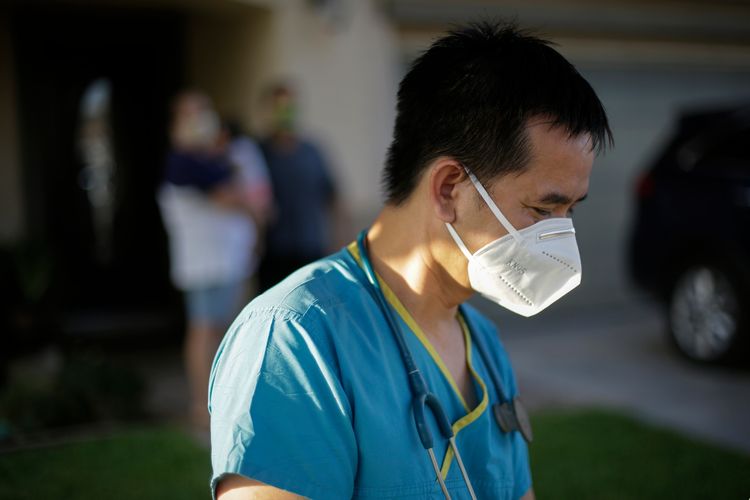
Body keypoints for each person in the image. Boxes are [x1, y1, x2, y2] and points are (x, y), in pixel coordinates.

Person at [209, 21, 612, 500]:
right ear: (448, 190)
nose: (559, 238)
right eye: (543, 210)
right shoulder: (295, 340)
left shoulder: (481, 343)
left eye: (569, 212)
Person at [158, 91, 261, 430]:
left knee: (222, 330)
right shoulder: (185, 161)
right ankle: (203, 406)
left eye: (203, 112)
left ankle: (220, 399)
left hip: (226, 261)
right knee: (205, 329)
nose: (200, 121)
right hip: (206, 263)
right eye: (191, 115)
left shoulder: (210, 158)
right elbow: (232, 197)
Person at [257, 83, 342, 291]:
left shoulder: (312, 151)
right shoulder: (258, 151)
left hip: (310, 247)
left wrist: (339, 240)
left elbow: (333, 196)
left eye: (289, 106)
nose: (284, 113)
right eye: (278, 107)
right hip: (273, 252)